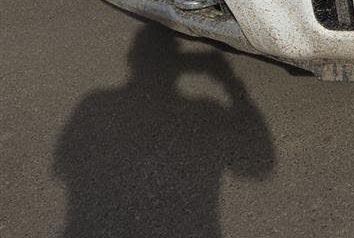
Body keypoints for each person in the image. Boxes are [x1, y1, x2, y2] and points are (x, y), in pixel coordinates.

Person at [54, 23, 274, 238]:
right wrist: (230, 81)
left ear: (131, 59)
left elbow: (61, 167)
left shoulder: (94, 103)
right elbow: (259, 168)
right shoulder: (207, 111)